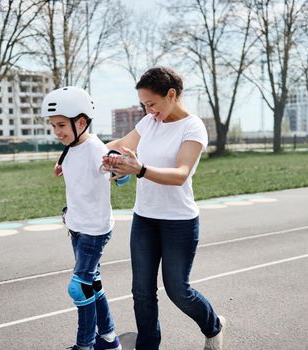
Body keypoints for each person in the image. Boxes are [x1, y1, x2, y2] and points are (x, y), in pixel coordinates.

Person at [102, 67, 226, 350]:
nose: (148, 110)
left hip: (178, 222)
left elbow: (181, 173)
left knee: (178, 290)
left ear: (171, 95)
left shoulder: (192, 127)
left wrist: (140, 169)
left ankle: (214, 325)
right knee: (142, 292)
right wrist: (78, 151)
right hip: (144, 219)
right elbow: (121, 145)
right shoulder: (149, 123)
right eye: (144, 105)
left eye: (152, 104)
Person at [41, 86, 121, 350]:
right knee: (92, 284)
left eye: (61, 125)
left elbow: (117, 171)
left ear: (82, 122)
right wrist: (61, 164)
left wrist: (120, 169)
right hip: (77, 227)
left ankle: (85, 346)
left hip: (94, 231)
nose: (57, 132)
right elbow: (76, 169)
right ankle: (109, 340)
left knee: (78, 288)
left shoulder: (96, 148)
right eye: (53, 126)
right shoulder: (71, 147)